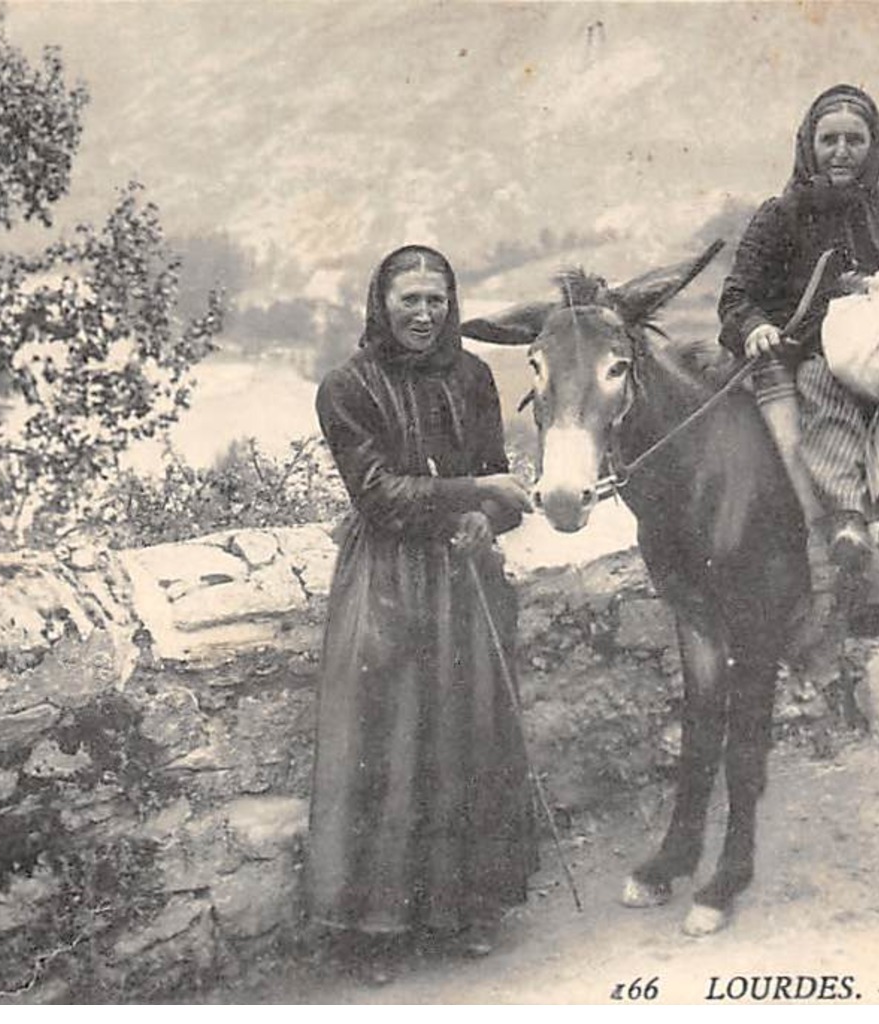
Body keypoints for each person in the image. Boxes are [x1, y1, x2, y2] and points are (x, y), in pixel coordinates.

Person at [306, 245, 537, 981]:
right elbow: (378, 497)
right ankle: (373, 930)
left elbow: (497, 488)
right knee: (389, 739)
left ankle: (463, 909)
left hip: (460, 579)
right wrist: (479, 492)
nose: (423, 313)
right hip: (388, 580)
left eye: (436, 299)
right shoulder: (345, 387)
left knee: (465, 737)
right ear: (381, 304)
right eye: (408, 299)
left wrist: (485, 522)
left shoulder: (471, 376)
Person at [719, 84, 879, 573]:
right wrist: (756, 328)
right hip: (813, 354)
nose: (841, 152)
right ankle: (846, 518)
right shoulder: (780, 217)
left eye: (855, 140)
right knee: (819, 386)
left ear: (875, 146)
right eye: (829, 140)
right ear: (809, 145)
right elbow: (737, 296)